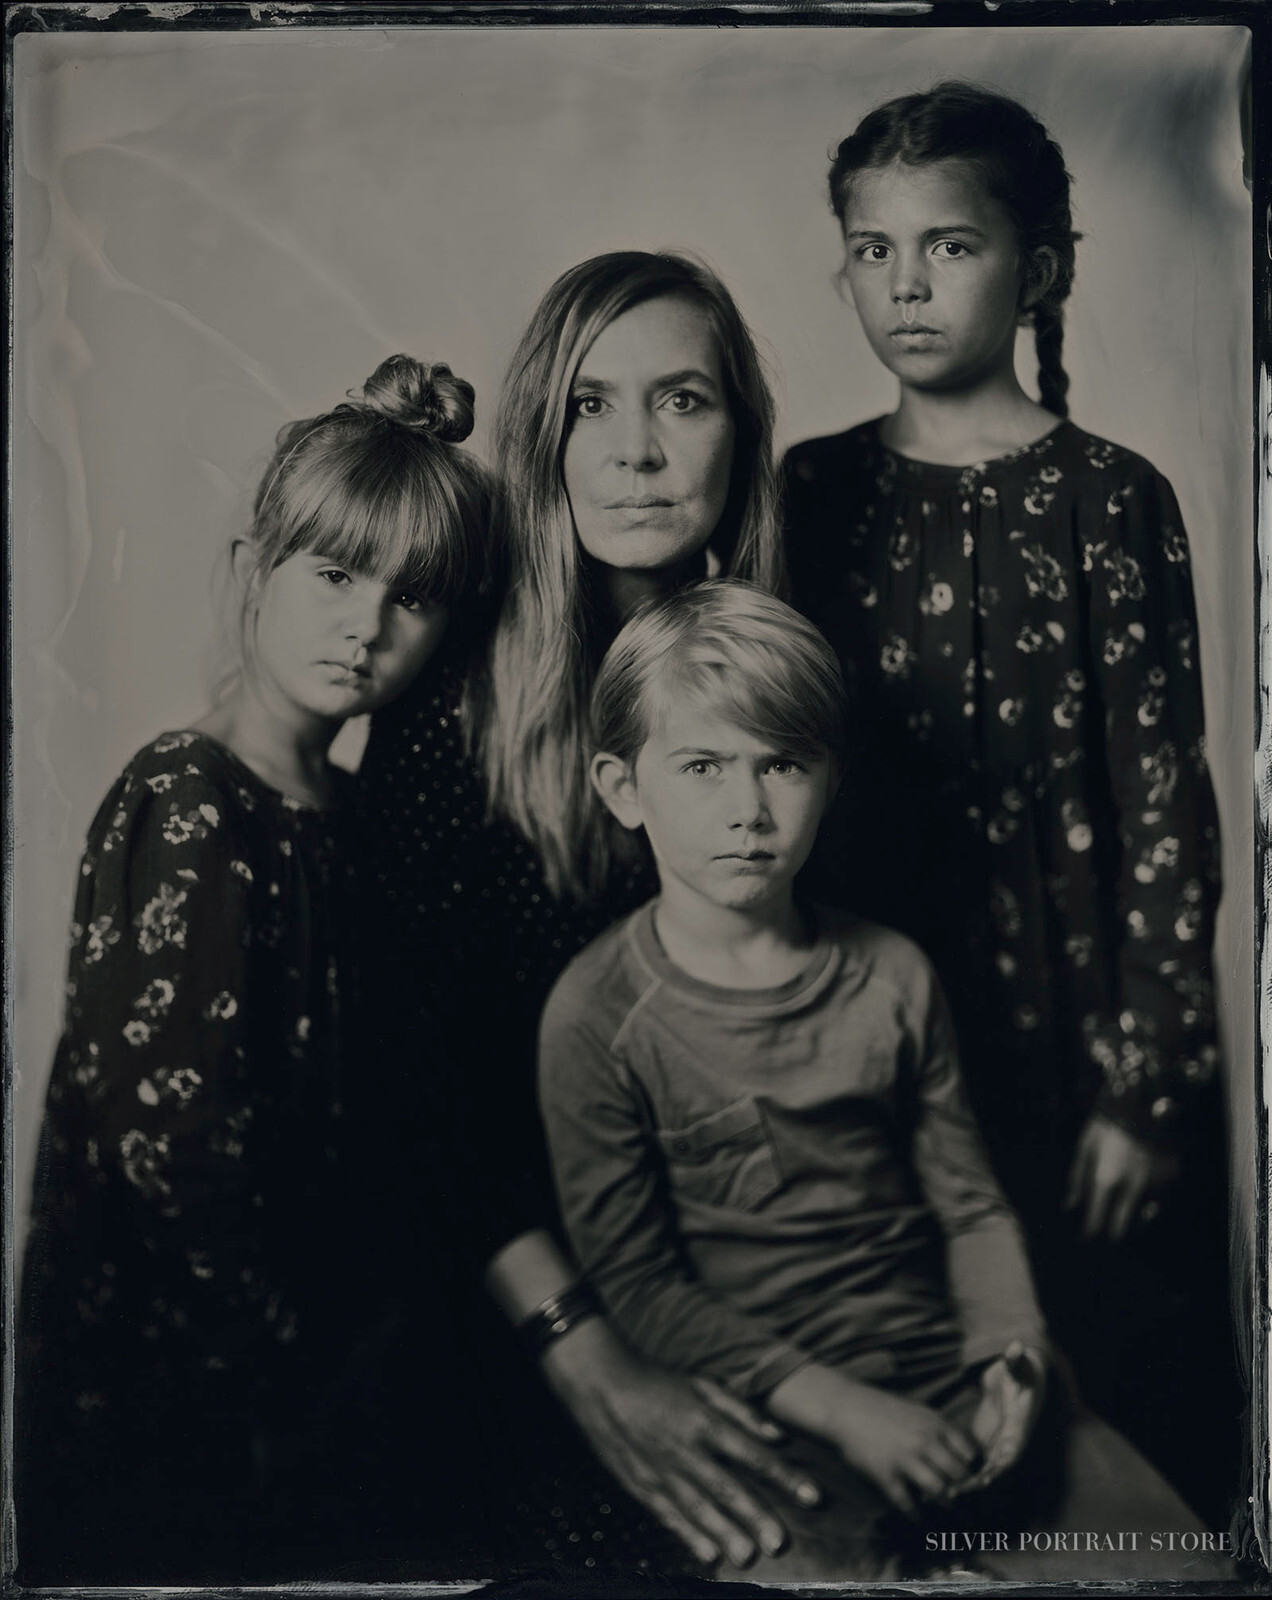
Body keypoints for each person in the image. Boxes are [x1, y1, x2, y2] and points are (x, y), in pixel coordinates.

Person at [539, 578, 1227, 1584]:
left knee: (1190, 1571)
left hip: (953, 1381)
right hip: (770, 1422)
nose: (748, 808)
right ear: (621, 786)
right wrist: (843, 1409)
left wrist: (1014, 1358)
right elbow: (641, 1285)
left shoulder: (894, 973)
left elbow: (970, 1204)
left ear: (830, 776)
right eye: (703, 765)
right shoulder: (594, 1015)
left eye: (782, 764)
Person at [781, 81, 1234, 1516]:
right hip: (882, 1041)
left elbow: (1167, 800)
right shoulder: (810, 493)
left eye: (949, 246)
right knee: (927, 1421)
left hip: (1088, 1035)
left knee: (1125, 1411)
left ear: (1034, 269)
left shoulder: (1116, 495)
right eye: (873, 248)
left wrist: (1147, 1092)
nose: (905, 283)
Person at [357, 252, 815, 1579]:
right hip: (524, 1315)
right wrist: (588, 1355)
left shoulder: (787, 685)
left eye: (684, 401)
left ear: (742, 436)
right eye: (591, 407)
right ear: (539, 436)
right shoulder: (452, 714)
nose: (637, 452)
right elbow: (420, 1092)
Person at [15, 355, 493, 1585]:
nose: (367, 624)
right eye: (334, 574)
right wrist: (303, 1393)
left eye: (412, 597)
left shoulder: (340, 810)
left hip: (330, 1395)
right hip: (192, 1411)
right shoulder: (188, 801)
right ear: (251, 573)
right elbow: (170, 1158)